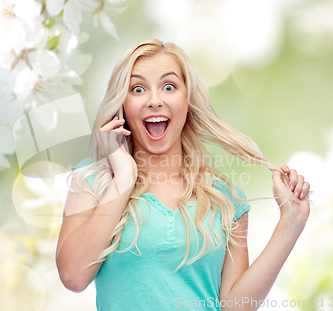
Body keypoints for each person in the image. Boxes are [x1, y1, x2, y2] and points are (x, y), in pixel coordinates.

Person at [55, 39, 312, 311]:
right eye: (138, 88)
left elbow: (235, 307)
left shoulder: (224, 199)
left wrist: (291, 223)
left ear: (187, 101)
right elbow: (73, 276)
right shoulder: (90, 183)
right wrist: (123, 178)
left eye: (169, 86)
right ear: (123, 106)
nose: (155, 100)